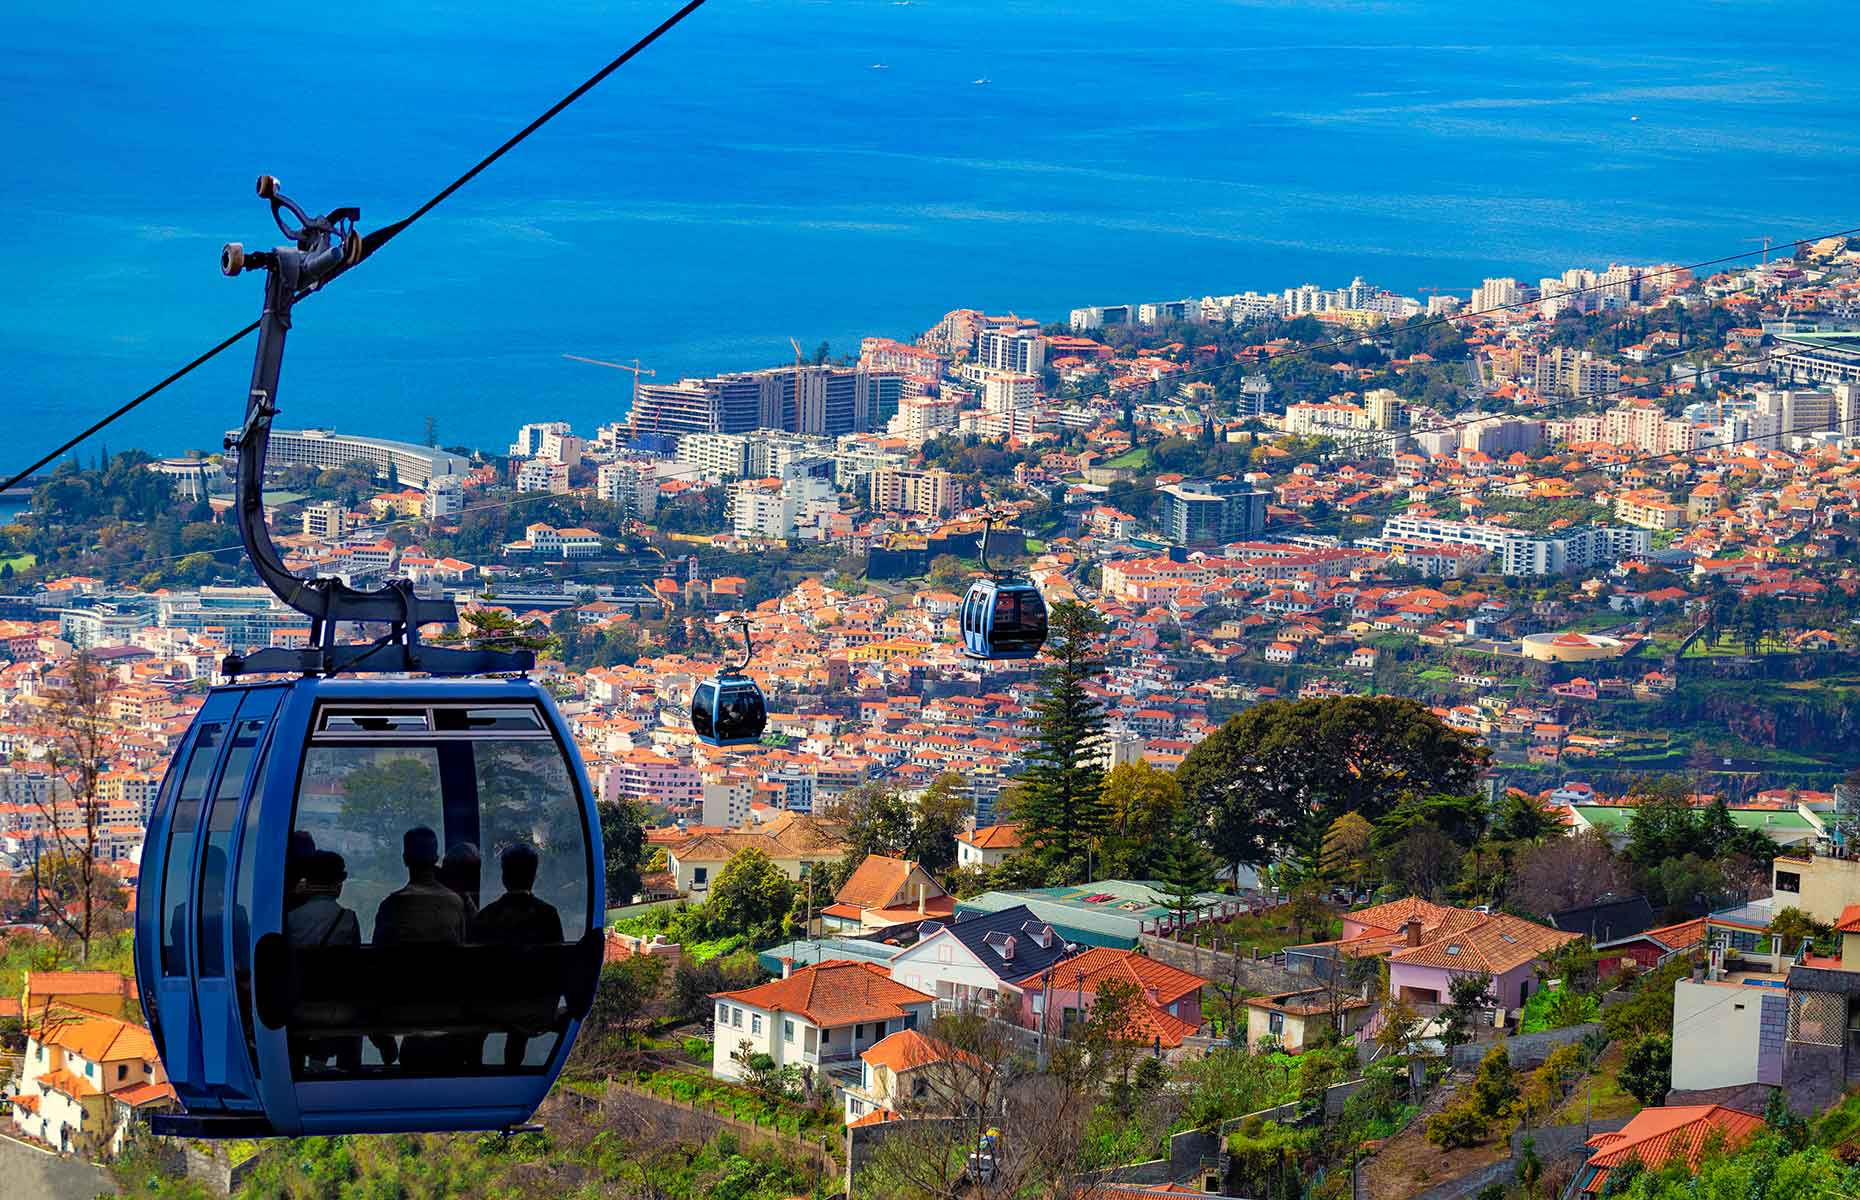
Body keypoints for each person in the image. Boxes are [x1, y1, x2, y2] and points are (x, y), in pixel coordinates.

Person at [373, 827, 469, 1071]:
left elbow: (376, 963)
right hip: (447, 1009)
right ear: (436, 859)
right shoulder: (455, 903)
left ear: (405, 858)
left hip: (402, 1009)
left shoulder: (391, 906)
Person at [471, 843, 565, 1068]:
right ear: (534, 876)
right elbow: (558, 965)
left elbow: (473, 969)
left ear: (504, 876)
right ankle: (512, 1069)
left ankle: (475, 1068)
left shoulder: (487, 916)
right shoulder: (548, 915)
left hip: (491, 1007)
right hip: (536, 1008)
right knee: (522, 1011)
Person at [285, 851, 361, 1073]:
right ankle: (350, 1072)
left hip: (298, 1007)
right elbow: (354, 967)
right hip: (339, 1009)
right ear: (338, 883)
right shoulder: (347, 919)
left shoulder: (290, 919)